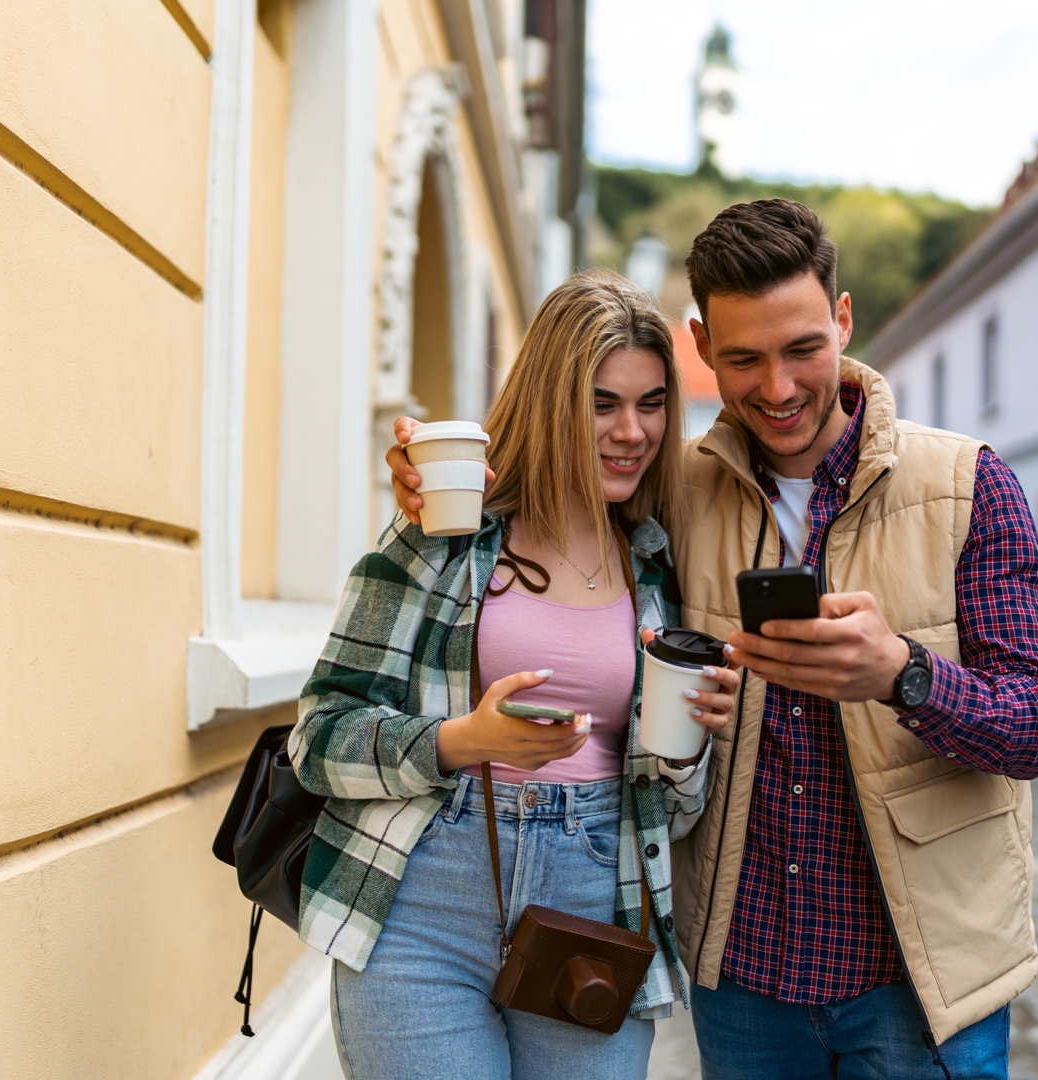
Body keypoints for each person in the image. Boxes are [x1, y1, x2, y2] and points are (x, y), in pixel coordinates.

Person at [386, 200, 1038, 1079]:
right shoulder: (671, 486)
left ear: (844, 319)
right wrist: (432, 480)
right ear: (700, 347)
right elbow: (546, 489)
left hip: (922, 980)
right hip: (743, 982)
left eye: (803, 350)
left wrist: (902, 671)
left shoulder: (967, 483)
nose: (777, 389)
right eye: (743, 358)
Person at [292, 270, 744, 1080]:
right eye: (602, 403)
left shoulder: (658, 566)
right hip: (420, 907)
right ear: (549, 401)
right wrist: (462, 741)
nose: (632, 431)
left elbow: (674, 813)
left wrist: (685, 750)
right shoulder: (445, 538)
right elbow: (319, 738)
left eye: (650, 405)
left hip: (594, 910)